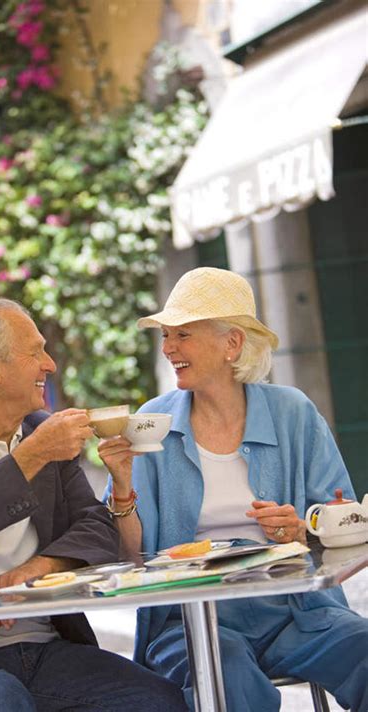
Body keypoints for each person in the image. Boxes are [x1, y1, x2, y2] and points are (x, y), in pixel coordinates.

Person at [0, 298, 188, 712]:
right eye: (35, 352)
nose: (49, 364)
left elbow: (95, 525)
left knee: (158, 699)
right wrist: (32, 454)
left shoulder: (37, 432)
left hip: (44, 646)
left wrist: (41, 568)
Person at [99, 267, 368, 712]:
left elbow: (347, 523)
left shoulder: (294, 413)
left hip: (296, 609)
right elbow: (130, 558)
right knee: (225, 677)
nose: (168, 348)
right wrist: (123, 489)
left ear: (232, 343)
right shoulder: (152, 422)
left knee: (362, 646)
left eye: (182, 334)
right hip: (192, 623)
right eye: (166, 336)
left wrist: (301, 530)